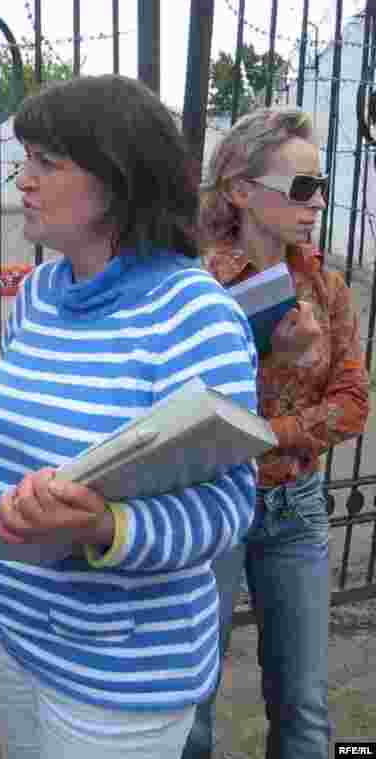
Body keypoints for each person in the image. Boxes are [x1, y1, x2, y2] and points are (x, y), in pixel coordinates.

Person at [0, 74, 260, 758]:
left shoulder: (193, 314)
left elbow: (228, 506)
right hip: (14, 630)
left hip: (118, 674)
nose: (22, 180)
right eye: (25, 159)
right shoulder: (40, 293)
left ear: (119, 178)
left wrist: (105, 525)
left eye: (47, 162)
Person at [184, 106, 369, 759]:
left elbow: (353, 404)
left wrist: (272, 430)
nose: (316, 202)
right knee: (190, 709)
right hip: (214, 509)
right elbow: (185, 414)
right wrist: (272, 358)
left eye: (320, 187)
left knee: (305, 709)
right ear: (238, 190)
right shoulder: (194, 286)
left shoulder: (323, 283)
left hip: (298, 509)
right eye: (300, 188)